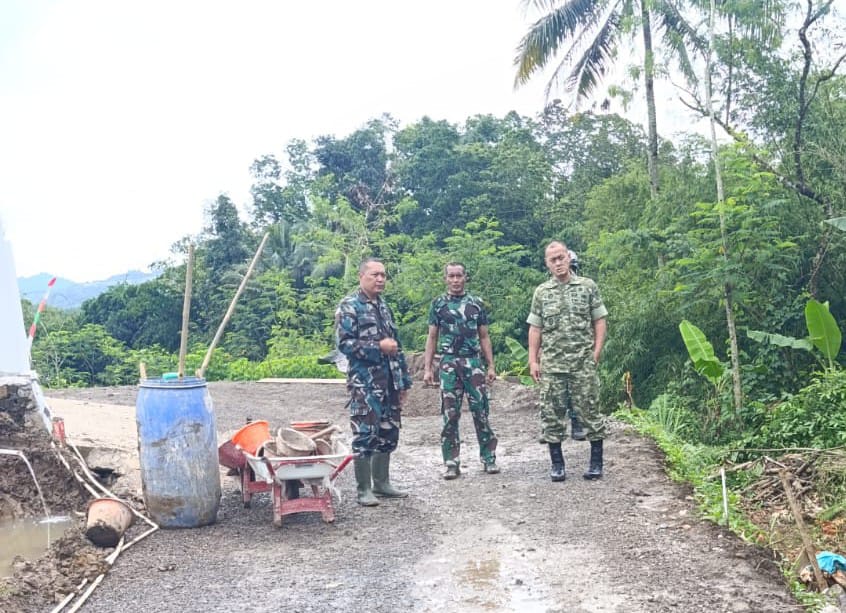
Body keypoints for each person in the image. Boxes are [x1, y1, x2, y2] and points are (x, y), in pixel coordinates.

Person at [527, 242, 608, 481]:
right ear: (547, 264)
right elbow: (535, 328)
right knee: (551, 415)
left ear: (568, 258)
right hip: (552, 365)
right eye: (553, 260)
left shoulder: (587, 286)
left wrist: (596, 352)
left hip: (582, 363)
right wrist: (533, 360)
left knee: (591, 411)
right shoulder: (542, 292)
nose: (558, 263)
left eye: (561, 257)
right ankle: (557, 464)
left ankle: (596, 463)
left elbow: (600, 320)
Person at [335, 258, 413, 506]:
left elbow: (396, 347)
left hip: (389, 382)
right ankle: (363, 489)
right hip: (365, 384)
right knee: (365, 434)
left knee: (389, 432)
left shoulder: (384, 307)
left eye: (383, 275)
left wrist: (403, 382)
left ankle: (382, 483)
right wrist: (377, 346)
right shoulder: (349, 307)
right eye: (375, 275)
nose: (380, 279)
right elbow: (345, 345)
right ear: (361, 276)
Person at [423, 262, 499, 480]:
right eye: (451, 276)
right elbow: (432, 337)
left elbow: (484, 336)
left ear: (466, 277)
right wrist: (428, 368)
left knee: (481, 412)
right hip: (448, 364)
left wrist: (490, 365)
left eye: (459, 276)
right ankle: (451, 462)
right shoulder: (438, 305)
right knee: (450, 415)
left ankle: (488, 458)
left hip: (473, 363)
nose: (455, 280)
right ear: (445, 279)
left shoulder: (477, 304)